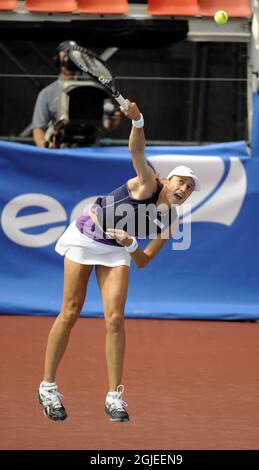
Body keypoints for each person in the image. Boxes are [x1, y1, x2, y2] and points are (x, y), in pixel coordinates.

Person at [37, 98, 201, 422]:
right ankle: (47, 387)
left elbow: (143, 261)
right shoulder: (148, 182)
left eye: (191, 187)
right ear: (168, 181)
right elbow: (137, 152)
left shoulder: (171, 221)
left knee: (115, 319)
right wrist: (138, 121)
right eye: (181, 181)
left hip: (116, 250)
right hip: (86, 236)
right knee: (70, 311)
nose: (184, 188)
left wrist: (128, 245)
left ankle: (114, 397)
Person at [31, 40, 121, 148]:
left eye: (74, 54)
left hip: (89, 151)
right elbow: (38, 128)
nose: (70, 58)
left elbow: (108, 123)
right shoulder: (46, 94)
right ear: (57, 59)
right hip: (60, 151)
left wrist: (112, 119)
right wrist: (45, 151)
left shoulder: (95, 90)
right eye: (66, 53)